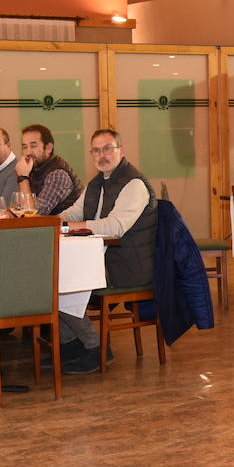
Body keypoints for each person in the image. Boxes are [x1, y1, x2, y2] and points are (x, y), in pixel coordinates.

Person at [56, 128, 158, 373]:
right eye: (96, 150)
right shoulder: (96, 183)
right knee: (48, 279)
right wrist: (47, 221)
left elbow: (115, 227)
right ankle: (70, 344)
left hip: (127, 265)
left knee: (61, 284)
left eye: (107, 148)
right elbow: (73, 213)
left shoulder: (134, 184)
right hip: (101, 259)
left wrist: (70, 226)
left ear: (121, 151)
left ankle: (95, 347)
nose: (101, 155)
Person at [15, 123, 83, 215]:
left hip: (66, 227)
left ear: (48, 148)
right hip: (47, 227)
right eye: (24, 147)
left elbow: (34, 214)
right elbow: (21, 207)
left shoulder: (58, 174)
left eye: (33, 146)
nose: (28, 152)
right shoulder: (33, 168)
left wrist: (23, 178)